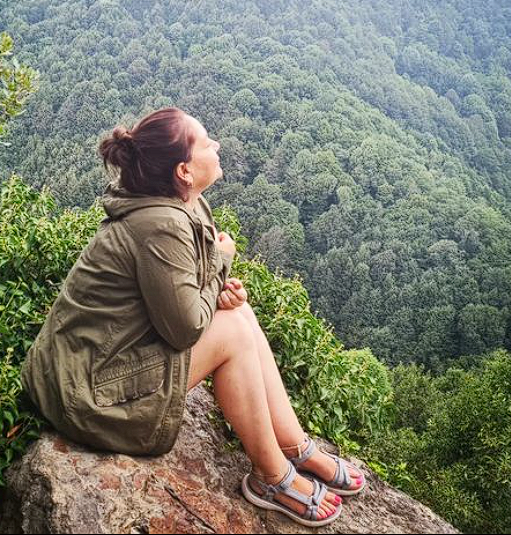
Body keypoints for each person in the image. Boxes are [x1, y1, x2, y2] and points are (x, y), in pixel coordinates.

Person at [21, 107, 364, 527]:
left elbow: (179, 289)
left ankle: (294, 445)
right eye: (206, 143)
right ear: (184, 170)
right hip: (86, 393)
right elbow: (185, 329)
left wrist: (216, 292)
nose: (217, 145)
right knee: (233, 332)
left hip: (89, 363)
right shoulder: (159, 225)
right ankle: (271, 478)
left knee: (240, 316)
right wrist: (220, 265)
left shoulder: (181, 201)